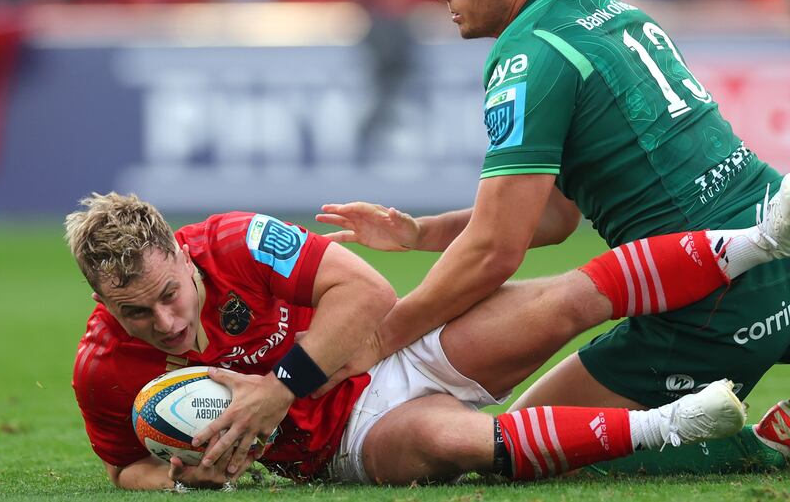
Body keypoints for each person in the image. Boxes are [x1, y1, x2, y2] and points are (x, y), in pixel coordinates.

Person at [315, 0, 790, 476]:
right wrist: (420, 233)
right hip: (773, 235)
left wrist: (380, 341)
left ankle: (761, 448)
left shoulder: (527, 56)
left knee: (522, 449)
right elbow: (555, 216)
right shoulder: (599, 6)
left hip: (711, 295)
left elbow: (495, 250)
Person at [70, 192, 790, 490]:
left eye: (169, 294)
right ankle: (671, 425)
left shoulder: (235, 239)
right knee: (460, 441)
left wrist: (280, 388)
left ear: (181, 252)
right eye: (135, 312)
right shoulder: (102, 368)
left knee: (564, 300)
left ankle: (762, 239)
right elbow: (125, 466)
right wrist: (179, 479)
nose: (164, 322)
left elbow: (371, 295)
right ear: (102, 303)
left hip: (388, 349)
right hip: (349, 441)